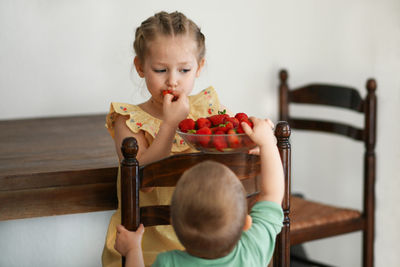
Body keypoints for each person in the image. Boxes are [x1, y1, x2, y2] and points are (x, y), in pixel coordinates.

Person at [103, 11, 228, 267]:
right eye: (160, 69)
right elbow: (143, 181)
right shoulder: (128, 120)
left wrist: (250, 149)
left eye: (184, 70)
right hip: (146, 247)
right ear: (140, 67)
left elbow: (224, 157)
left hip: (201, 241)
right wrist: (170, 124)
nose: (172, 80)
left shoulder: (206, 111)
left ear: (199, 67)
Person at [114, 117, 285, 267]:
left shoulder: (169, 262)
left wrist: (132, 250)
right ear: (246, 223)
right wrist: (268, 143)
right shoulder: (252, 249)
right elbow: (272, 193)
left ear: (173, 222)